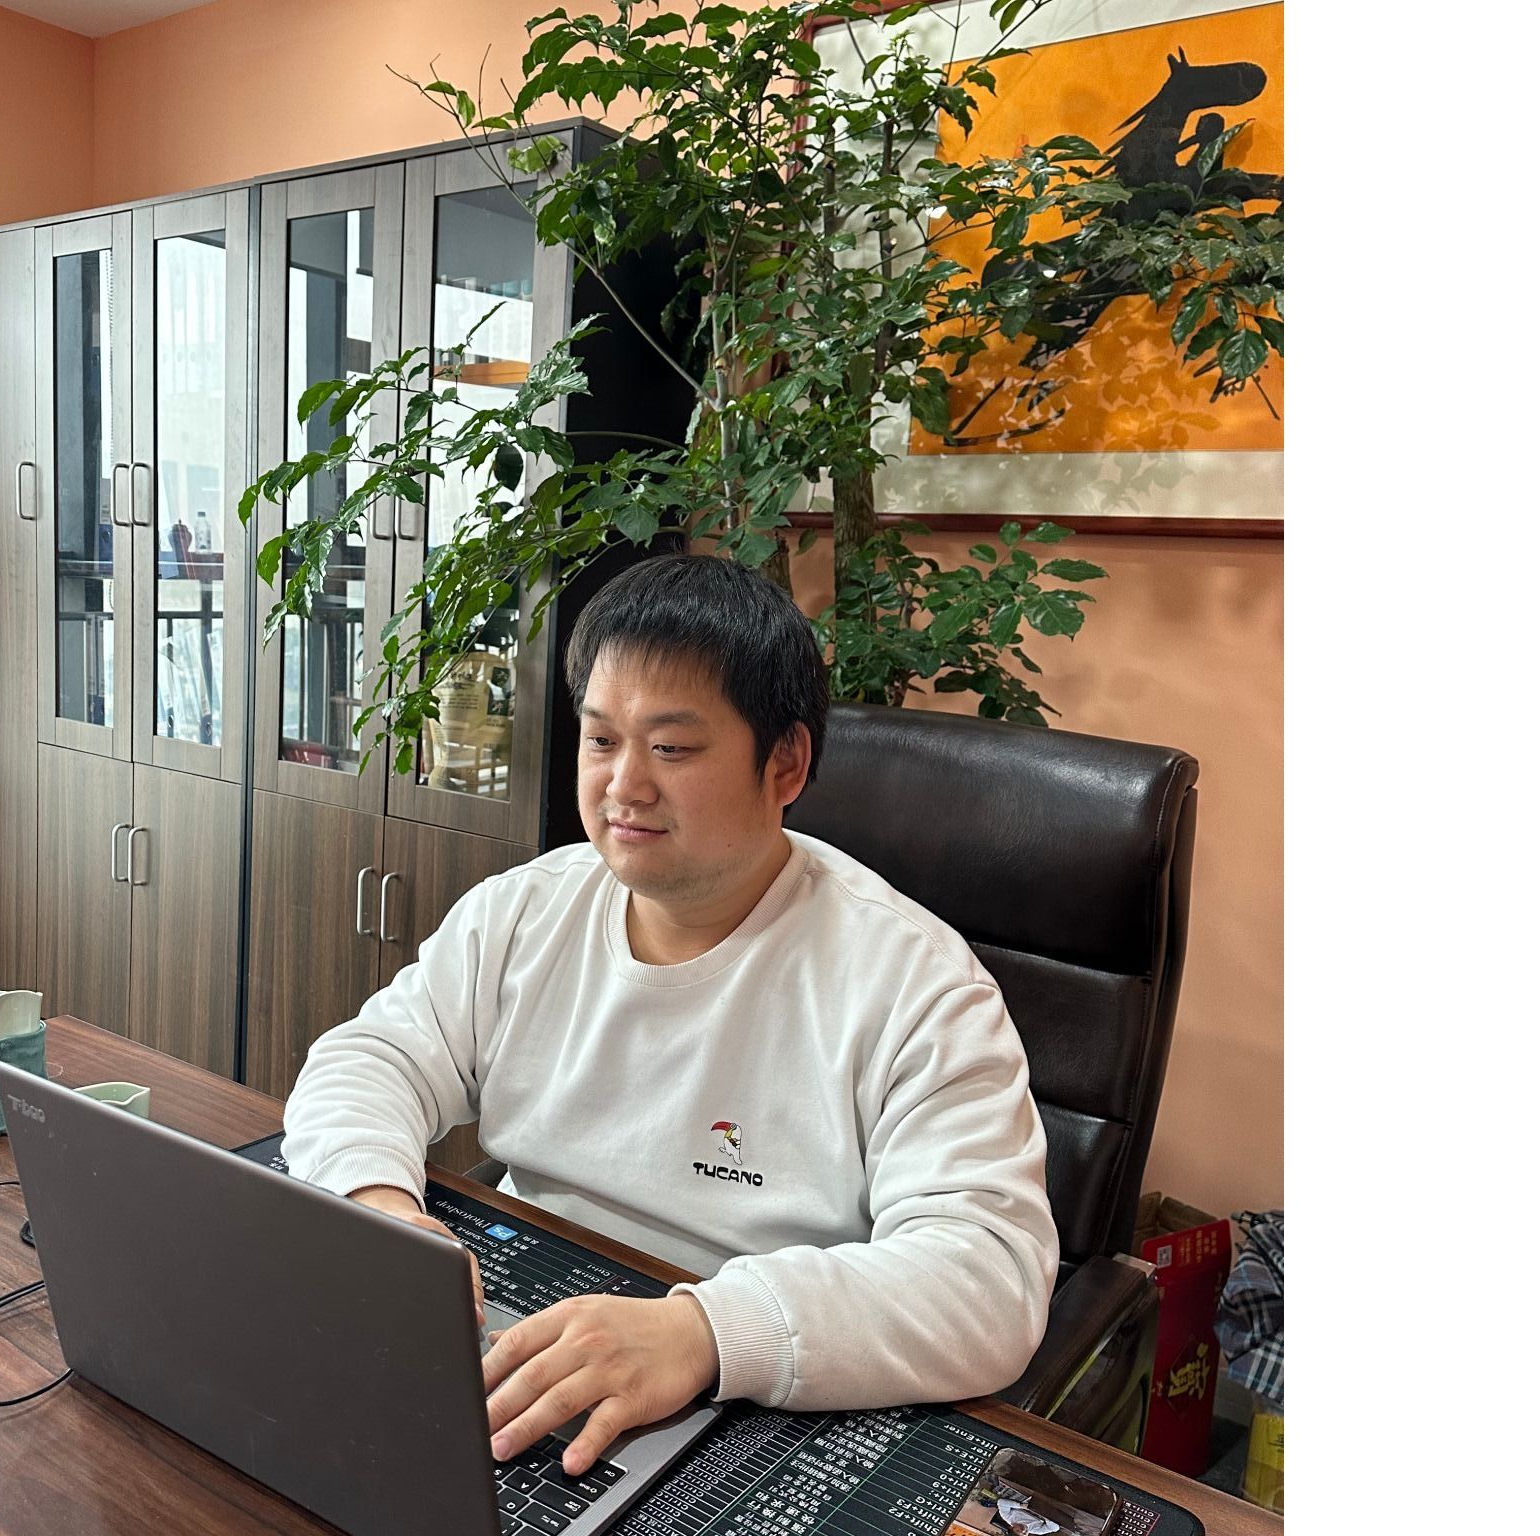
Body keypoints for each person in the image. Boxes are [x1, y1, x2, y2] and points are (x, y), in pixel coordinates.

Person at [281, 553, 1059, 1478]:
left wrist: (703, 1331)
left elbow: (988, 1278)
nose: (625, 786)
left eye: (673, 749)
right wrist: (379, 1209)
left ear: (786, 763)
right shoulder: (528, 910)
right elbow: (372, 1058)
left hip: (766, 1391)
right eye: (601, 740)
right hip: (530, 1322)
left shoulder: (916, 984)